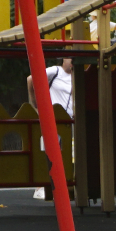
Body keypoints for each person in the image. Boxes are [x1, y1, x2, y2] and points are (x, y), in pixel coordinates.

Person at [29, 58, 75, 200]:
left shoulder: (77, 76)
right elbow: (31, 78)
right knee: (50, 151)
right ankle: (41, 186)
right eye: (69, 58)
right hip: (54, 119)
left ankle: (64, 185)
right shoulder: (56, 71)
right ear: (63, 59)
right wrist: (35, 104)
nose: (72, 61)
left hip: (70, 121)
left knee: (67, 153)